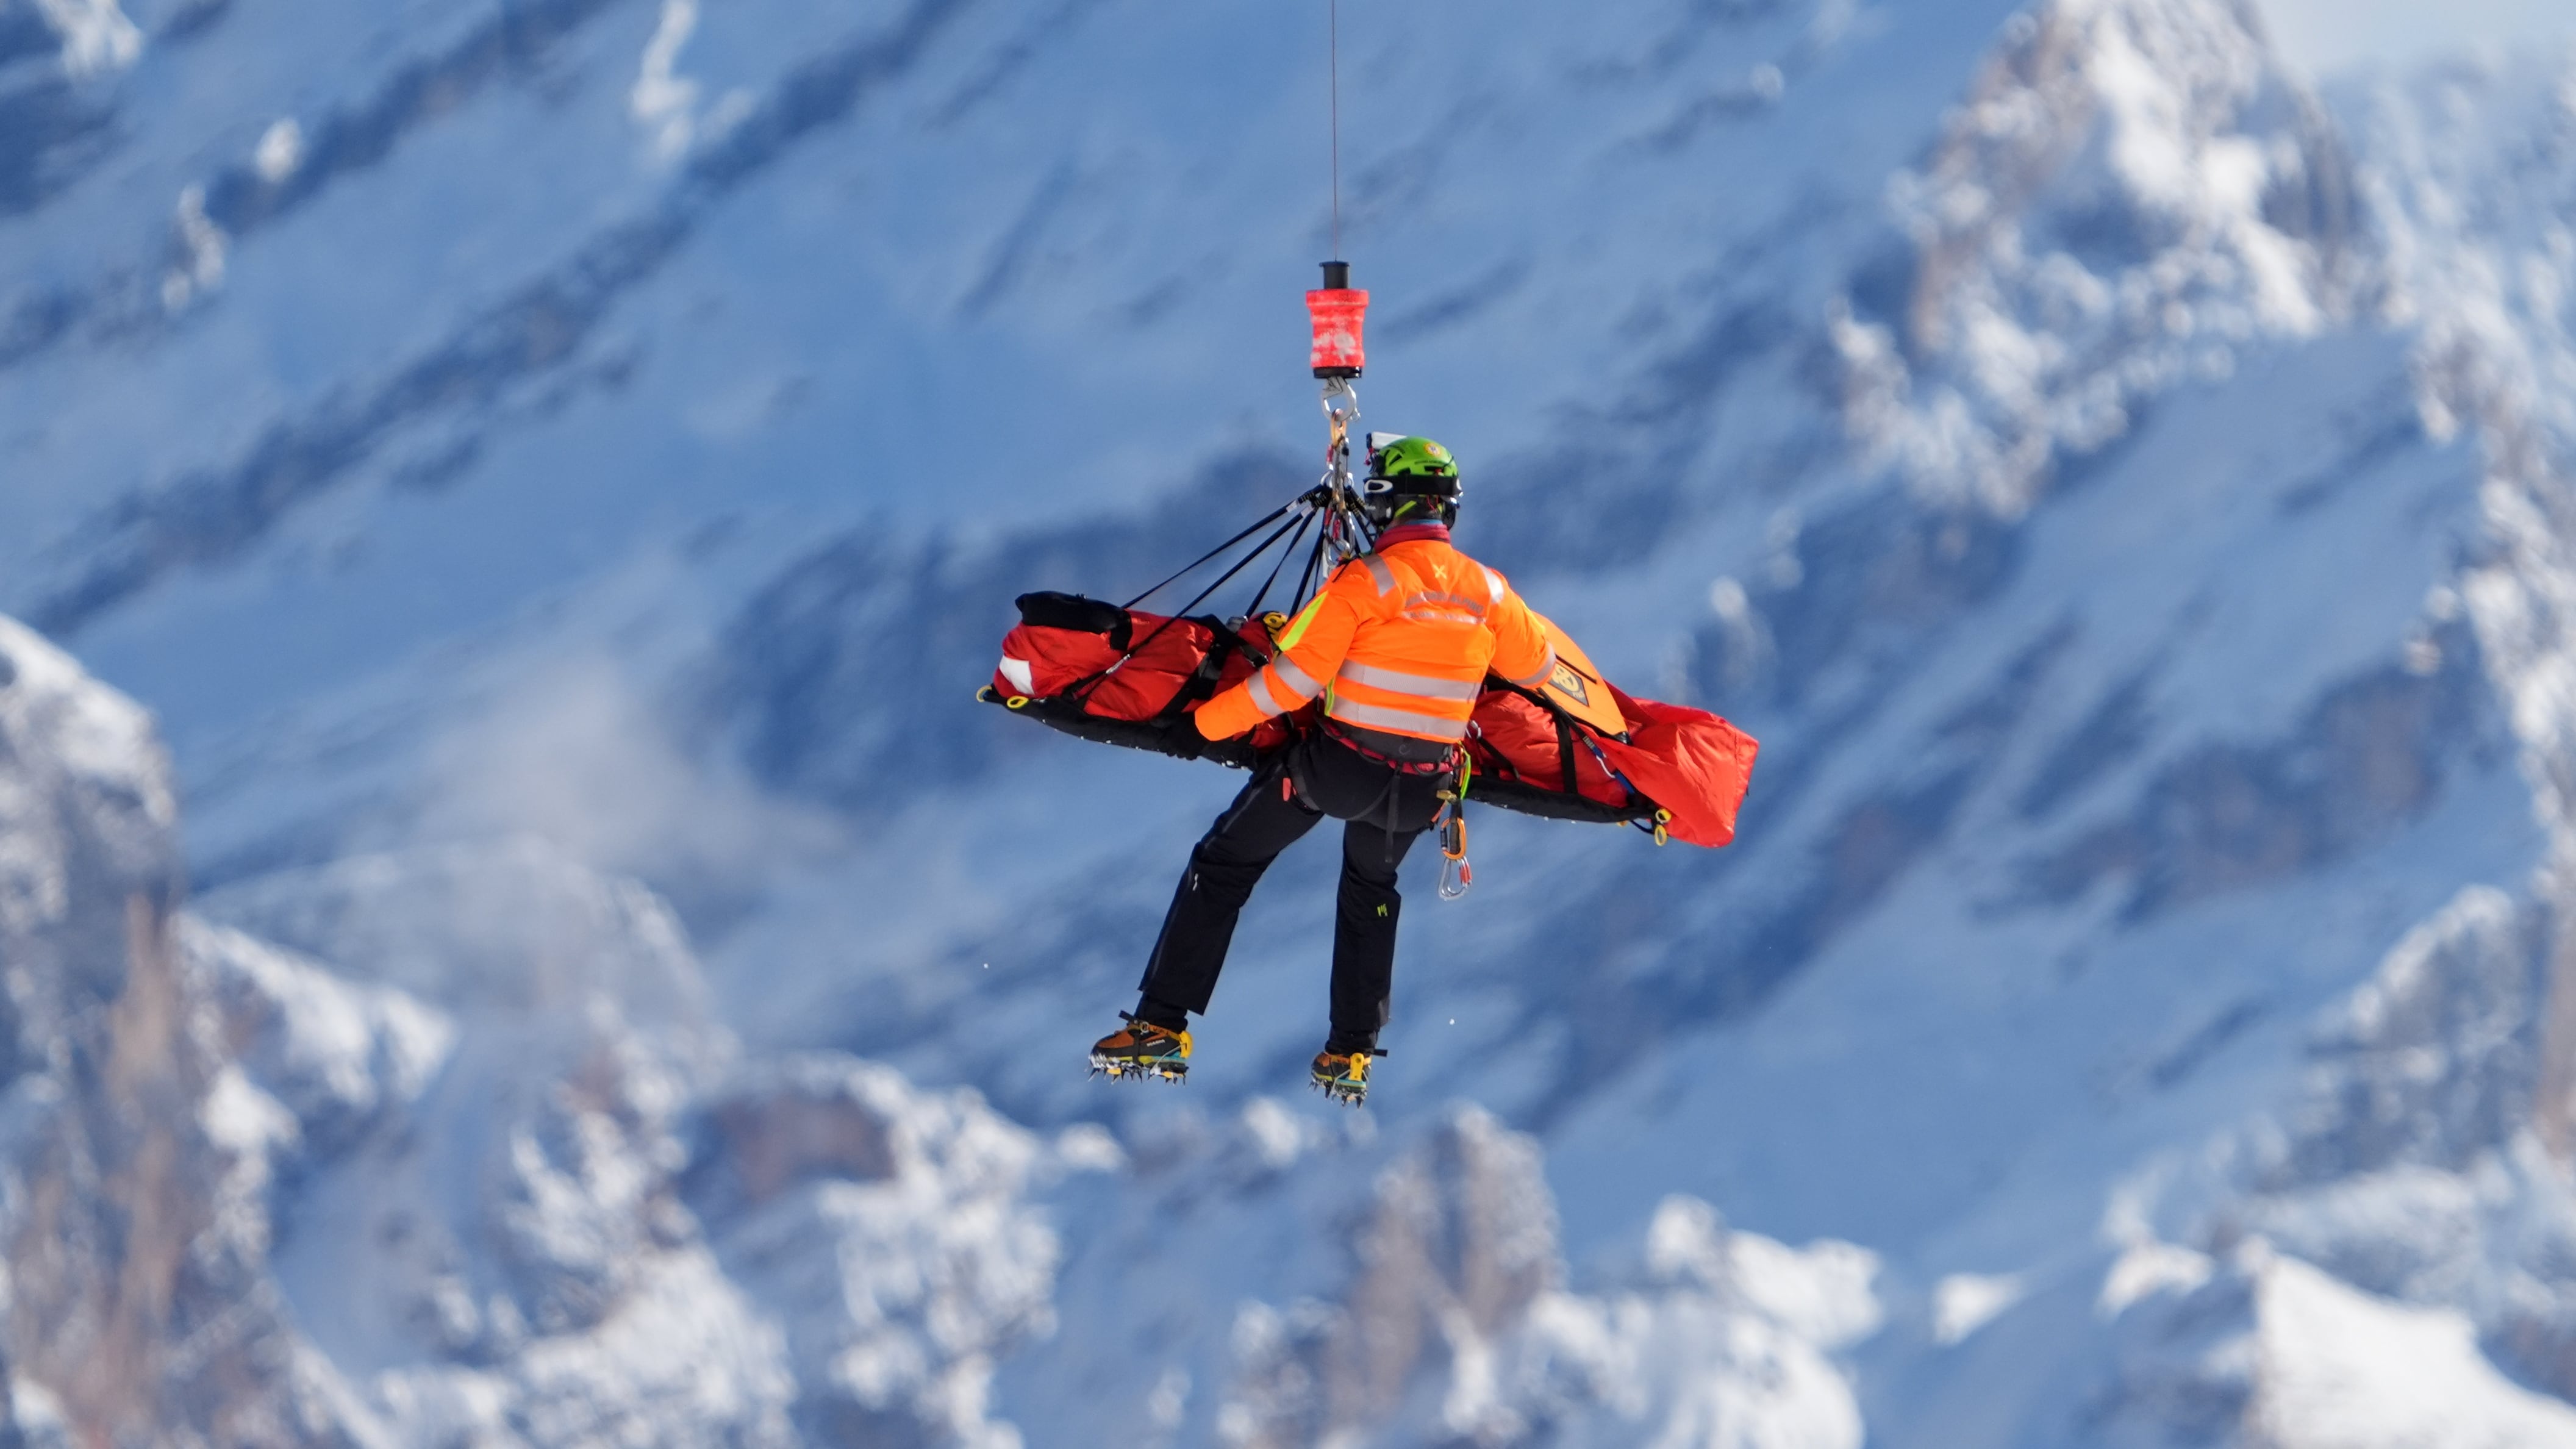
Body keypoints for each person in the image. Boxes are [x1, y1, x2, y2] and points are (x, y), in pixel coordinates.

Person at [1089, 437, 1559, 1104]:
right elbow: (1538, 670)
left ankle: (1161, 1027)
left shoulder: (1365, 582)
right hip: (1421, 791)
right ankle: (1350, 1053)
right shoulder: (1490, 591)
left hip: (1339, 766)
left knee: (1224, 864)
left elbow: (1292, 684)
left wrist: (1201, 727)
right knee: (1371, 889)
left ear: (1386, 506)